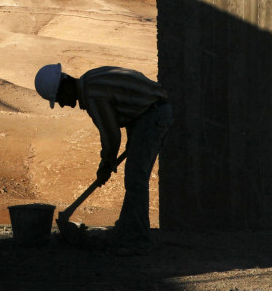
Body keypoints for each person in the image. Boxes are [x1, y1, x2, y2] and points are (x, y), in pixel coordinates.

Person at [34, 63, 171, 247]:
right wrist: (125, 145)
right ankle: (128, 229)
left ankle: (137, 240)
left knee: (136, 177)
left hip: (153, 114)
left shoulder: (93, 95)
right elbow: (126, 103)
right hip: (146, 114)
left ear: (65, 84)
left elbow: (111, 134)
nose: (62, 104)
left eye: (59, 98)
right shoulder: (90, 81)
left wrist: (106, 165)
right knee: (134, 176)